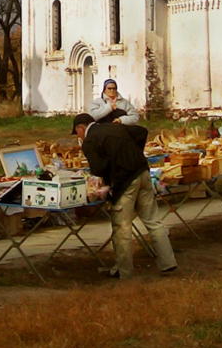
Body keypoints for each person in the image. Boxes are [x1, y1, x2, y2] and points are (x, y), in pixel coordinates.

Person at [73, 112, 175, 279]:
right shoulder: (114, 126)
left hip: (125, 180)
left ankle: (125, 272)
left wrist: (112, 166)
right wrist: (134, 153)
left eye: (77, 132)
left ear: (81, 128)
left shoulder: (90, 141)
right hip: (142, 171)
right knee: (153, 220)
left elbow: (98, 168)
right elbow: (141, 132)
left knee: (122, 227)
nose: (78, 136)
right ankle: (168, 262)